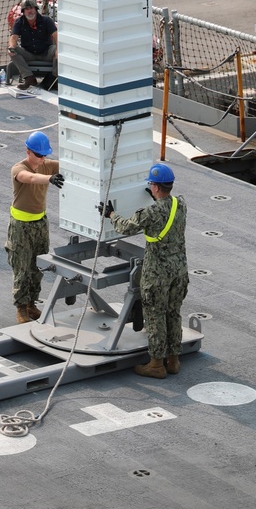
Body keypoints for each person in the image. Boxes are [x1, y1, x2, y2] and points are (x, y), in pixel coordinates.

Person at [102, 162, 189, 378]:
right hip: (179, 270)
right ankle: (174, 360)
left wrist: (111, 214)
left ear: (156, 188)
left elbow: (126, 227)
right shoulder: (181, 204)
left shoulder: (149, 213)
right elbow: (166, 210)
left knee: (155, 316)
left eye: (151, 185)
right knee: (173, 312)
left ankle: (156, 365)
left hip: (158, 273)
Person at [6, 130, 65, 323]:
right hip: (21, 225)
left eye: (44, 155)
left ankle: (32, 304)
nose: (42, 159)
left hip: (40, 223)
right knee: (22, 267)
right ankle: (21, 308)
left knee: (38, 265)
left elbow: (68, 164)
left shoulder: (46, 165)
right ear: (28, 152)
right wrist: (49, 179)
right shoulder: (18, 168)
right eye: (39, 155)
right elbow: (29, 178)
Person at [7, 0, 58, 90]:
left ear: (36, 9)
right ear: (23, 11)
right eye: (26, 9)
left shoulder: (46, 20)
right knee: (12, 51)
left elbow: (56, 35)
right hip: (29, 53)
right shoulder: (19, 22)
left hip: (46, 52)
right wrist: (11, 47)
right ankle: (29, 77)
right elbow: (13, 38)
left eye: (31, 8)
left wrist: (58, 49)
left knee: (60, 51)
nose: (29, 11)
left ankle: (53, 78)